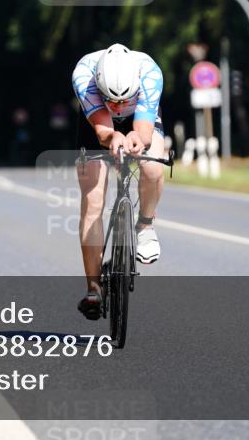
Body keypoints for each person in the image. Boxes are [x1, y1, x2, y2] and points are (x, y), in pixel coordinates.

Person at [71, 43, 166, 320]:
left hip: (141, 118)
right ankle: (93, 287)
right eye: (112, 100)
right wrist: (113, 136)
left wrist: (138, 139)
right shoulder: (84, 75)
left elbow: (144, 132)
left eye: (124, 100)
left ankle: (145, 225)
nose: (119, 106)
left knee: (152, 167)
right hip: (98, 124)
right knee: (92, 202)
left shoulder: (150, 73)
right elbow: (103, 131)